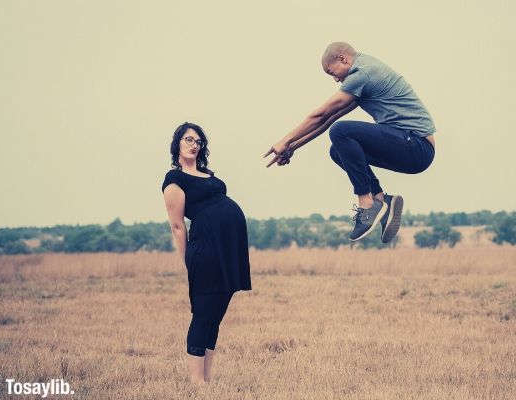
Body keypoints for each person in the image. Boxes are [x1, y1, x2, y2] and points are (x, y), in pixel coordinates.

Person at [264, 42, 436, 243]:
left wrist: (284, 140)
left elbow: (322, 114)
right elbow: (330, 119)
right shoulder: (363, 73)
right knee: (338, 150)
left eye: (332, 72)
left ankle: (367, 204)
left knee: (342, 131)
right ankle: (380, 199)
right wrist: (292, 147)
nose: (336, 79)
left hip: (416, 145)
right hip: (412, 147)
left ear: (343, 59)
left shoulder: (363, 73)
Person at [161, 122, 251, 384]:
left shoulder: (207, 174)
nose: (194, 145)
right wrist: (188, 261)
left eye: (198, 141)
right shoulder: (174, 179)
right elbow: (178, 226)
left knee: (214, 317)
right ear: (177, 143)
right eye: (188, 139)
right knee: (203, 315)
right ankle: (196, 383)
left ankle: (207, 380)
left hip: (227, 250)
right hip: (206, 252)